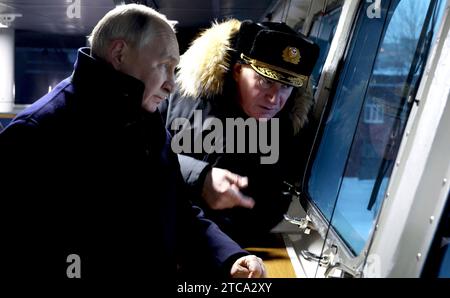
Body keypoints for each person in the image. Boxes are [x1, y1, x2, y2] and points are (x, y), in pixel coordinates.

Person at [0, 4, 265, 284]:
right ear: (119, 53)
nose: (171, 85)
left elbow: (178, 211)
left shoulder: (148, 122)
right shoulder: (35, 134)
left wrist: (231, 257)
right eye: (164, 66)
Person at [160, 19, 320, 245]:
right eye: (264, 82)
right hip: (170, 235)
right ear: (237, 70)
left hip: (244, 247)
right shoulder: (179, 96)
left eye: (286, 86)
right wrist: (199, 176)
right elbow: (137, 152)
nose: (275, 99)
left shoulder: (291, 123)